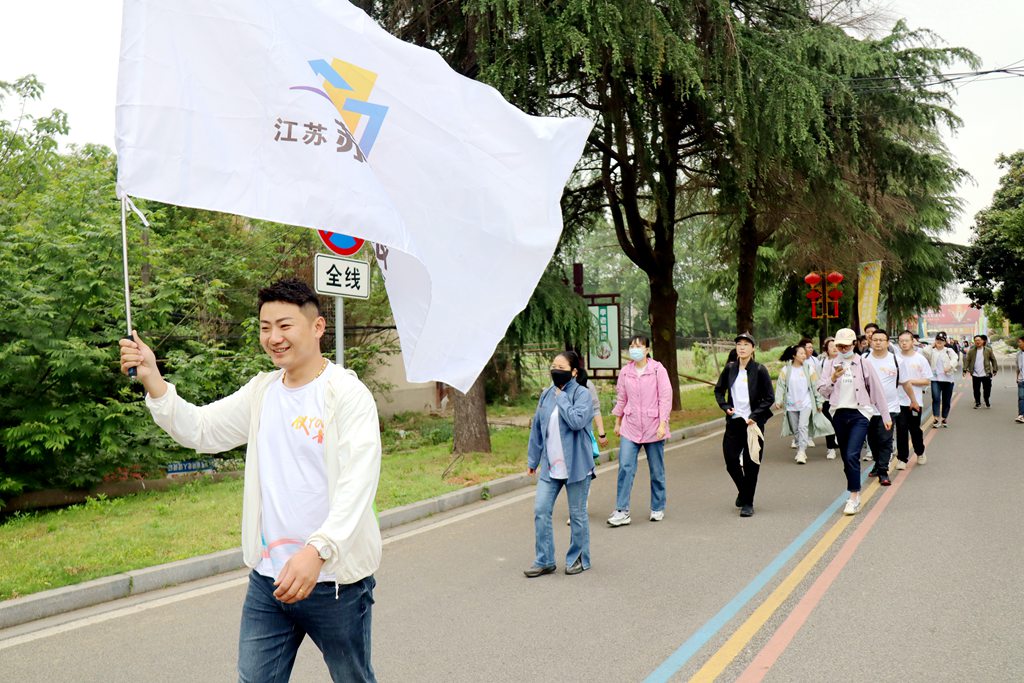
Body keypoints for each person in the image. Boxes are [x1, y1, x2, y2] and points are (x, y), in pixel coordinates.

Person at [119, 279, 381, 682]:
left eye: (285, 325)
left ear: (317, 327)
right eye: (265, 327)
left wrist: (318, 550)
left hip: (334, 582)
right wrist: (153, 377)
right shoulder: (262, 392)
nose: (274, 337)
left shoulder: (346, 393)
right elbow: (201, 429)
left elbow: (358, 484)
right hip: (269, 580)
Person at [525, 350, 595, 577]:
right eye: (553, 366)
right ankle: (544, 559)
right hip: (550, 466)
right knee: (541, 510)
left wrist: (562, 397)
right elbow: (538, 429)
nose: (556, 371)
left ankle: (578, 558)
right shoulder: (546, 395)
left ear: (573, 372)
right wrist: (533, 459)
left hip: (576, 466)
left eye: (561, 368)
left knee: (577, 515)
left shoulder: (582, 394)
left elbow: (576, 421)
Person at [817, 327, 890, 515]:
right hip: (838, 414)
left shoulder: (864, 363)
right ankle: (854, 489)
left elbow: (877, 390)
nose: (843, 349)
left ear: (854, 344)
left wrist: (885, 415)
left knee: (852, 454)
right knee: (846, 457)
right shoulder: (829, 364)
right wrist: (833, 378)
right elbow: (822, 391)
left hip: (860, 413)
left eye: (846, 345)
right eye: (839, 346)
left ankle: (854, 496)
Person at [607, 335, 672, 526]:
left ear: (647, 350)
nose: (634, 349)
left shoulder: (657, 369)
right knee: (625, 467)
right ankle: (622, 510)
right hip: (631, 425)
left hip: (653, 426)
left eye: (639, 346)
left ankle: (657, 507)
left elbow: (665, 398)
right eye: (632, 346)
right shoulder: (625, 372)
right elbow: (622, 398)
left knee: (656, 470)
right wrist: (618, 422)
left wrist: (662, 424)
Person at [713, 332, 774, 517]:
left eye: (746, 344)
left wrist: (755, 415)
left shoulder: (760, 370)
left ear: (753, 348)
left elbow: (769, 397)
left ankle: (748, 503)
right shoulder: (730, 369)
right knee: (731, 461)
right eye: (739, 344)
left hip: (753, 424)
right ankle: (744, 492)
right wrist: (726, 407)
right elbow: (719, 390)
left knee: (751, 463)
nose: (742, 347)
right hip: (734, 422)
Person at [774, 345, 832, 464]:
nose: (804, 355)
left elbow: (815, 386)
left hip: (806, 403)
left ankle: (801, 451)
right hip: (791, 404)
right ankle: (799, 448)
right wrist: (778, 400)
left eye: (804, 353)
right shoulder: (786, 370)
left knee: (802, 426)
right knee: (795, 429)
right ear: (794, 355)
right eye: (801, 353)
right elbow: (780, 386)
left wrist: (819, 402)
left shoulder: (809, 369)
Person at [863, 329, 901, 486]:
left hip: (890, 408)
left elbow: (903, 381)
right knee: (872, 440)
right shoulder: (863, 360)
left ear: (887, 342)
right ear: (870, 341)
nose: (878, 342)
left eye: (881, 340)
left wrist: (912, 400)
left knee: (885, 439)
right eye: (875, 339)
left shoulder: (896, 360)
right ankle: (878, 464)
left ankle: (883, 471)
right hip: (868, 408)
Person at [894, 330, 933, 468]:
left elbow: (927, 380)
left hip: (915, 401)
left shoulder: (920, 359)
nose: (904, 343)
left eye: (907, 340)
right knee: (901, 429)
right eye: (901, 341)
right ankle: (902, 459)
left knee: (915, 429)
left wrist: (908, 382)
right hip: (898, 401)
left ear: (912, 342)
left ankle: (920, 452)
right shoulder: (894, 359)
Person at [923, 332, 958, 428]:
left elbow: (955, 358)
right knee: (936, 398)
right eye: (937, 340)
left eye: (942, 340)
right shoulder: (932, 351)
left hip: (948, 379)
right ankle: (936, 418)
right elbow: (924, 352)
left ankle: (944, 417)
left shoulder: (949, 351)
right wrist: (932, 345)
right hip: (935, 379)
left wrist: (950, 366)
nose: (939, 342)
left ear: (945, 342)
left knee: (946, 400)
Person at [819, 337, 840, 460]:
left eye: (836, 345)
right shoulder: (823, 363)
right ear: (826, 350)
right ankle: (830, 448)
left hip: (841, 399)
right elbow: (820, 382)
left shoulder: (844, 361)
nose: (834, 348)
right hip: (827, 399)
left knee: (838, 424)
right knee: (828, 425)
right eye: (831, 346)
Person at [964, 334, 998, 408]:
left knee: (987, 389)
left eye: (979, 340)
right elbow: (967, 360)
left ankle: (986, 400)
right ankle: (978, 402)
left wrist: (995, 369)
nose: (977, 342)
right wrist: (964, 369)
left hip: (986, 373)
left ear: (982, 341)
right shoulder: (971, 351)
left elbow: (993, 360)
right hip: (975, 374)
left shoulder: (988, 350)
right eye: (976, 340)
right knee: (976, 390)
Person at [1015, 335, 1024, 424]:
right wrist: (1017, 378)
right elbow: (1018, 368)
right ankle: (1021, 415)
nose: (1018, 344)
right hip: (1021, 379)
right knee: (1021, 398)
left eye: (1020, 342)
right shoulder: (1018, 354)